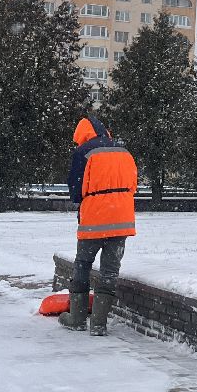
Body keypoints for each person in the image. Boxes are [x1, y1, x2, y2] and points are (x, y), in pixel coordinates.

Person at [61, 116, 138, 336]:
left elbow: (75, 190)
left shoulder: (83, 152)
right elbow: (133, 183)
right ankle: (98, 324)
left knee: (83, 264)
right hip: (122, 217)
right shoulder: (124, 151)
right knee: (110, 271)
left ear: (82, 134)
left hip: (94, 219)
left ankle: (77, 318)